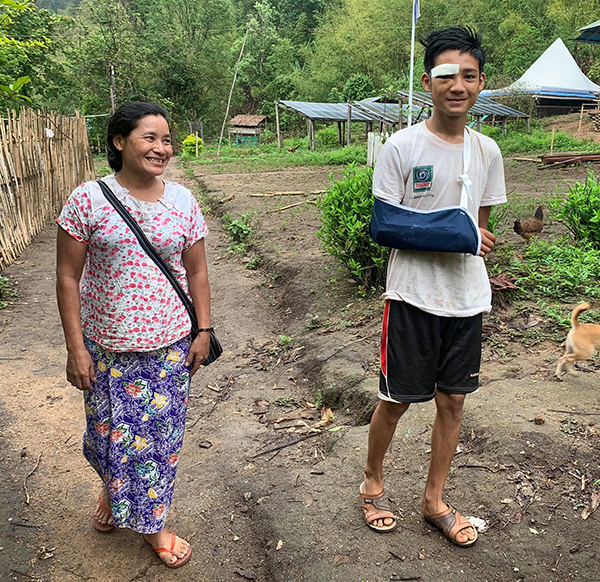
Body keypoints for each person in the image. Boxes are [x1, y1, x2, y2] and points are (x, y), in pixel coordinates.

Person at [360, 27, 506, 547]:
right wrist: (455, 235)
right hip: (412, 296)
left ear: (481, 83)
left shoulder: (488, 152)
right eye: (446, 75)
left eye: (468, 75)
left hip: (466, 299)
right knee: (396, 399)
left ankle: (433, 500)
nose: (457, 85)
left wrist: (468, 238)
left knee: (452, 403)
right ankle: (373, 481)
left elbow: (479, 233)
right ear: (428, 82)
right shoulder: (402, 145)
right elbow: (385, 225)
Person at [56, 102, 211, 567]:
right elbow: (67, 276)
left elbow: (198, 271)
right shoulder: (88, 200)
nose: (161, 148)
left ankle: (153, 525)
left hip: (169, 348)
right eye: (150, 138)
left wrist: (203, 330)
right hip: (105, 349)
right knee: (106, 436)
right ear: (119, 141)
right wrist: (75, 348)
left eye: (167, 139)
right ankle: (111, 490)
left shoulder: (183, 201)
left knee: (157, 443)